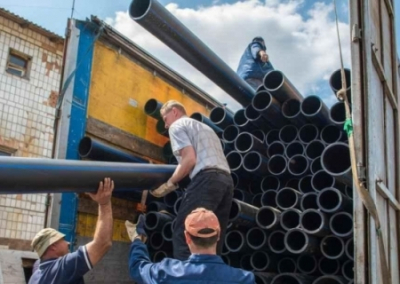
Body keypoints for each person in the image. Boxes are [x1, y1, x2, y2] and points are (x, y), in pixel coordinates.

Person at [151, 100, 233, 260]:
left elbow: (189, 159)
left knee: (184, 230)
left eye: (165, 119)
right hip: (226, 181)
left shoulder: (177, 125)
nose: (166, 125)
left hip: (207, 178)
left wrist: (169, 184)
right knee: (214, 237)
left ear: (174, 112)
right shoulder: (205, 127)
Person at [126, 208, 255, 283]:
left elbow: (138, 268)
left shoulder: (168, 272)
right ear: (219, 235)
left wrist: (138, 241)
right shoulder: (244, 279)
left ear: (187, 237)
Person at [28, 178, 115, 284]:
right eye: (63, 239)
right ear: (53, 246)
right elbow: (103, 243)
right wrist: (104, 203)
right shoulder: (61, 269)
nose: (68, 243)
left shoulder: (36, 275)